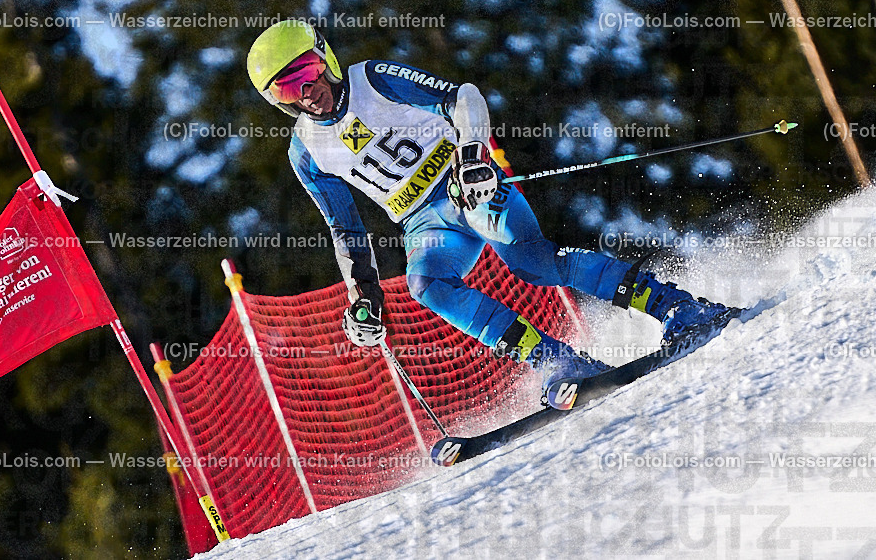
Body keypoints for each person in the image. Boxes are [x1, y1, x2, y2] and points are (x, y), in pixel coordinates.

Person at [246, 19, 739, 393]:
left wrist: (471, 154)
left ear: (324, 58)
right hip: (425, 222)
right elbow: (345, 229)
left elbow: (461, 97)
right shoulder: (306, 152)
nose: (306, 92)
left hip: (465, 185)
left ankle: (677, 306)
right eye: (287, 88)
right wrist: (363, 297)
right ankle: (557, 360)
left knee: (533, 263)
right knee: (426, 284)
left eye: (307, 72)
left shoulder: (373, 79)